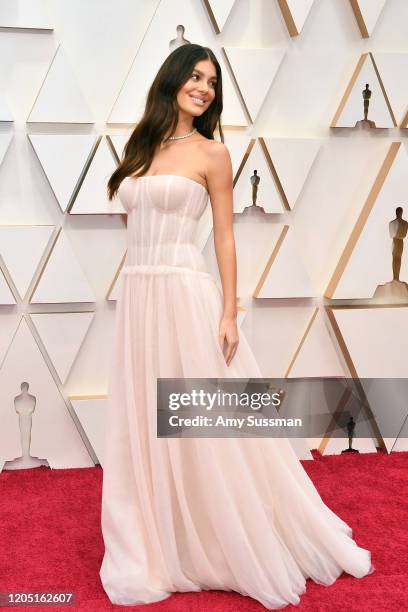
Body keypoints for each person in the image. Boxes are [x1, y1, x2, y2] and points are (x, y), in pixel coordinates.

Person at [99, 43, 374, 609]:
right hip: (139, 295)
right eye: (195, 77)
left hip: (182, 292)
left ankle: (218, 530)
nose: (204, 88)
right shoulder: (141, 146)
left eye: (212, 82)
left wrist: (229, 311)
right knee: (140, 417)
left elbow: (224, 235)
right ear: (172, 80)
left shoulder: (215, 154)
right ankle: (151, 538)